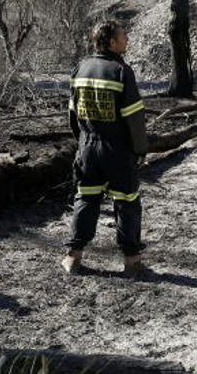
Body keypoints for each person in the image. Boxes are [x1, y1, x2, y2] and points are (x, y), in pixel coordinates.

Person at [63, 20, 149, 277]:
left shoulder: (81, 68)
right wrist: (140, 149)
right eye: (123, 36)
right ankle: (132, 262)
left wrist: (84, 142)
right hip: (117, 150)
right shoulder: (121, 71)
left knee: (86, 199)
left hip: (88, 147)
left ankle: (72, 257)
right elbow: (134, 118)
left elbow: (72, 114)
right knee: (127, 203)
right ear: (111, 42)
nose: (127, 39)